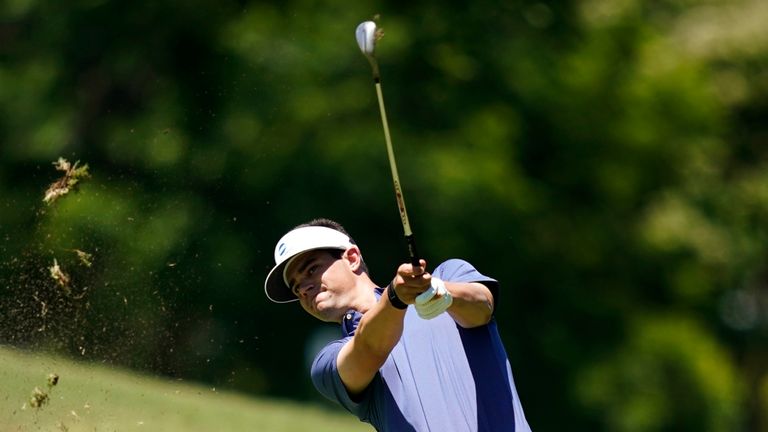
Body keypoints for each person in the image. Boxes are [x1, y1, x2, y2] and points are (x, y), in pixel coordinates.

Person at [264, 218, 531, 431]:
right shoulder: (327, 362)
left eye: (312, 269)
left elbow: (482, 306)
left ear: (352, 258)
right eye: (297, 287)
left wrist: (439, 291)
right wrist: (395, 298)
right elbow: (369, 349)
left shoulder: (449, 275)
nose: (305, 288)